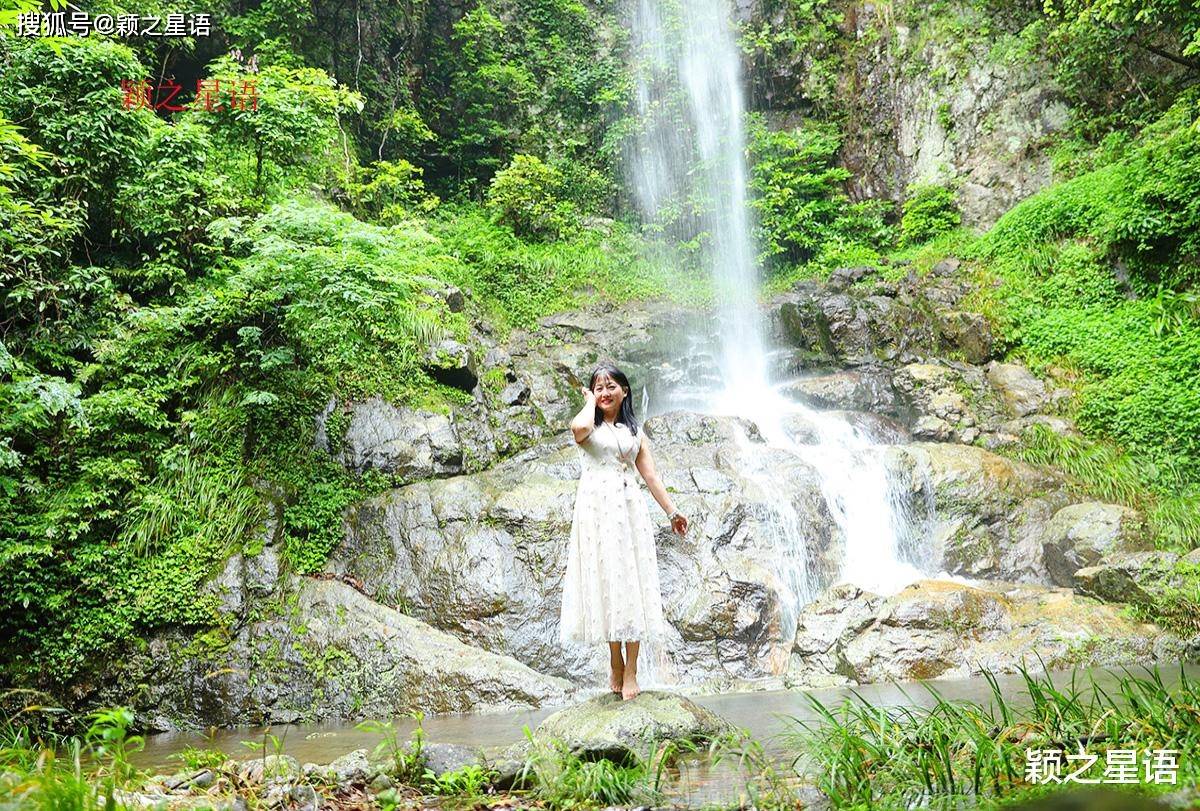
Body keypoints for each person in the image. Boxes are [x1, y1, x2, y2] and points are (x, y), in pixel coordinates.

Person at [559, 363, 689, 700]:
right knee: (608, 583)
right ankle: (614, 658)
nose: (605, 393)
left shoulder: (635, 432)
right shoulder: (588, 426)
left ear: (624, 390)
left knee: (632, 582)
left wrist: (672, 512)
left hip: (630, 513)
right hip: (596, 514)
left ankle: (631, 668)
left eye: (611, 386)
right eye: (599, 387)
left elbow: (650, 476)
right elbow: (578, 428)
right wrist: (589, 401)